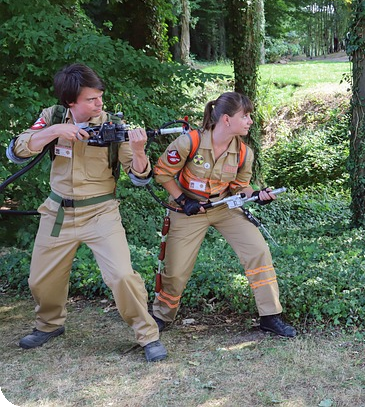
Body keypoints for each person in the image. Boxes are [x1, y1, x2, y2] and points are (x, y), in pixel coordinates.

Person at [6, 63, 167, 361]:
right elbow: (17, 151)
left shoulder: (114, 126)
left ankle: (148, 335)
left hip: (100, 213)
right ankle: (49, 325)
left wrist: (139, 151)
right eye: (91, 99)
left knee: (122, 276)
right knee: (40, 280)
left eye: (100, 97)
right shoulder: (52, 117)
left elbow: (138, 177)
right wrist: (56, 131)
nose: (99, 103)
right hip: (57, 213)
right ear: (71, 102)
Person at [151, 91, 296, 337]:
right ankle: (161, 315)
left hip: (224, 207)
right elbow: (162, 172)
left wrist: (257, 195)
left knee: (258, 251)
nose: (250, 121)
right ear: (226, 119)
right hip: (187, 210)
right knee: (176, 269)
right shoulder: (189, 142)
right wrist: (183, 200)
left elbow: (240, 187)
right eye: (245, 116)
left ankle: (270, 316)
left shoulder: (244, 153)